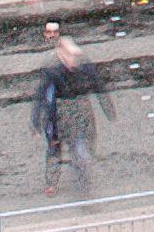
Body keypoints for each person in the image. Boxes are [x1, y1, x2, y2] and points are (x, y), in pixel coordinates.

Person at [34, 23, 106, 199]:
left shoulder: (82, 65)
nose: (74, 59)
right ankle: (52, 181)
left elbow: (97, 84)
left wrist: (106, 105)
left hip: (78, 112)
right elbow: (43, 95)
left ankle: (83, 183)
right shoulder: (53, 70)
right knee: (54, 147)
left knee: (79, 147)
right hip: (58, 115)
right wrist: (37, 118)